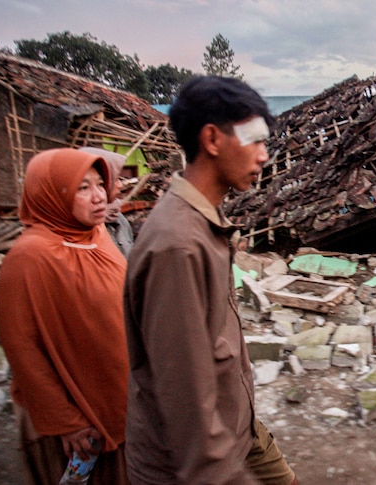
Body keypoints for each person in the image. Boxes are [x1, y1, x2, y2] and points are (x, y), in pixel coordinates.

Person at [123, 75, 297, 485]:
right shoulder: (178, 246)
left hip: (240, 429)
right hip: (196, 460)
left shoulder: (205, 224)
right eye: (255, 140)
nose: (263, 156)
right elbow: (184, 396)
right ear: (212, 140)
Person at [0, 148, 130, 484]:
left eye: (100, 184)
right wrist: (64, 419)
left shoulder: (97, 237)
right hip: (75, 417)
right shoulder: (30, 257)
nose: (99, 196)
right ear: (52, 193)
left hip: (116, 399)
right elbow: (21, 347)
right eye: (82, 188)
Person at [79, 147, 135, 259]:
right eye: (115, 179)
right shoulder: (79, 227)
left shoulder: (118, 218)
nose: (120, 185)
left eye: (99, 184)